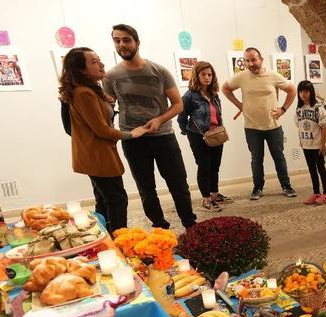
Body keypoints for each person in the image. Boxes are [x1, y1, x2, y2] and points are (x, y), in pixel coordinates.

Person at [103, 24, 196, 230]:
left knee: (179, 184)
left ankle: (190, 224)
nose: (122, 44)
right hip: (133, 140)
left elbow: (178, 104)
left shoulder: (159, 71)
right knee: (146, 188)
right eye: (117, 40)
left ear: (137, 42)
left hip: (163, 137)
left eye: (126, 40)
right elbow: (108, 109)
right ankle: (160, 226)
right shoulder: (110, 77)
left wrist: (159, 120)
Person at [59, 47, 146, 232]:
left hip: (97, 154)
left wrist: (108, 105)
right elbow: (101, 130)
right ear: (81, 70)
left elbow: (99, 121)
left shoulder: (89, 90)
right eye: (94, 62)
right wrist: (131, 134)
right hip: (98, 155)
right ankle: (119, 241)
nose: (101, 64)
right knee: (116, 200)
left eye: (99, 59)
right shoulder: (84, 93)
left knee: (106, 199)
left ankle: (106, 239)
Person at [222, 47, 298, 200]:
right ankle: (258, 188)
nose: (250, 64)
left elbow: (292, 89)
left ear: (261, 60)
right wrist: (239, 105)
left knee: (279, 157)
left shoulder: (272, 75)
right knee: (256, 160)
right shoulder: (241, 77)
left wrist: (283, 109)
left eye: (253, 60)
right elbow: (225, 88)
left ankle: (286, 186)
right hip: (252, 128)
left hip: (273, 126)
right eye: (247, 61)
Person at [177, 61, 230, 212]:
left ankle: (214, 194)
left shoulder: (214, 94)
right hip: (199, 137)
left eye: (210, 74)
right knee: (204, 167)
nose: (207, 78)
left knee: (215, 166)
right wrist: (189, 132)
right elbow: (181, 117)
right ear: (197, 75)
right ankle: (206, 199)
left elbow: (218, 115)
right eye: (204, 74)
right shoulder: (189, 96)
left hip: (216, 135)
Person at [294, 80, 326, 206]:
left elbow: (324, 127)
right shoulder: (299, 109)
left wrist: (323, 143)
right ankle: (316, 192)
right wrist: (301, 140)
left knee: (321, 169)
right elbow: (300, 126)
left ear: (311, 92)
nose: (303, 94)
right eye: (300, 91)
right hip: (306, 145)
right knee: (312, 170)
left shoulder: (317, 108)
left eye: (306, 91)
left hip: (317, 145)